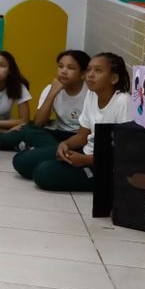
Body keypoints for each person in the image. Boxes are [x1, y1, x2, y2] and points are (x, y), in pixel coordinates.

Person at [17, 53, 132, 191]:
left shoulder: (123, 102)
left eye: (98, 71)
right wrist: (65, 144)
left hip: (105, 165)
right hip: (85, 152)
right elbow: (82, 136)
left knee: (43, 173)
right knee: (21, 161)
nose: (90, 75)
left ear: (113, 78)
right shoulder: (92, 94)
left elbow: (125, 154)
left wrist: (86, 160)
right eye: (89, 70)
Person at [0, 49, 92, 155]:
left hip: (81, 138)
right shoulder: (51, 88)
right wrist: (52, 94)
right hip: (59, 134)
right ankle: (59, 151)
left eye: (70, 68)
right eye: (60, 66)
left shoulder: (91, 93)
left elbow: (86, 134)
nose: (63, 71)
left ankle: (49, 150)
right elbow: (38, 123)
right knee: (27, 130)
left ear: (83, 74)